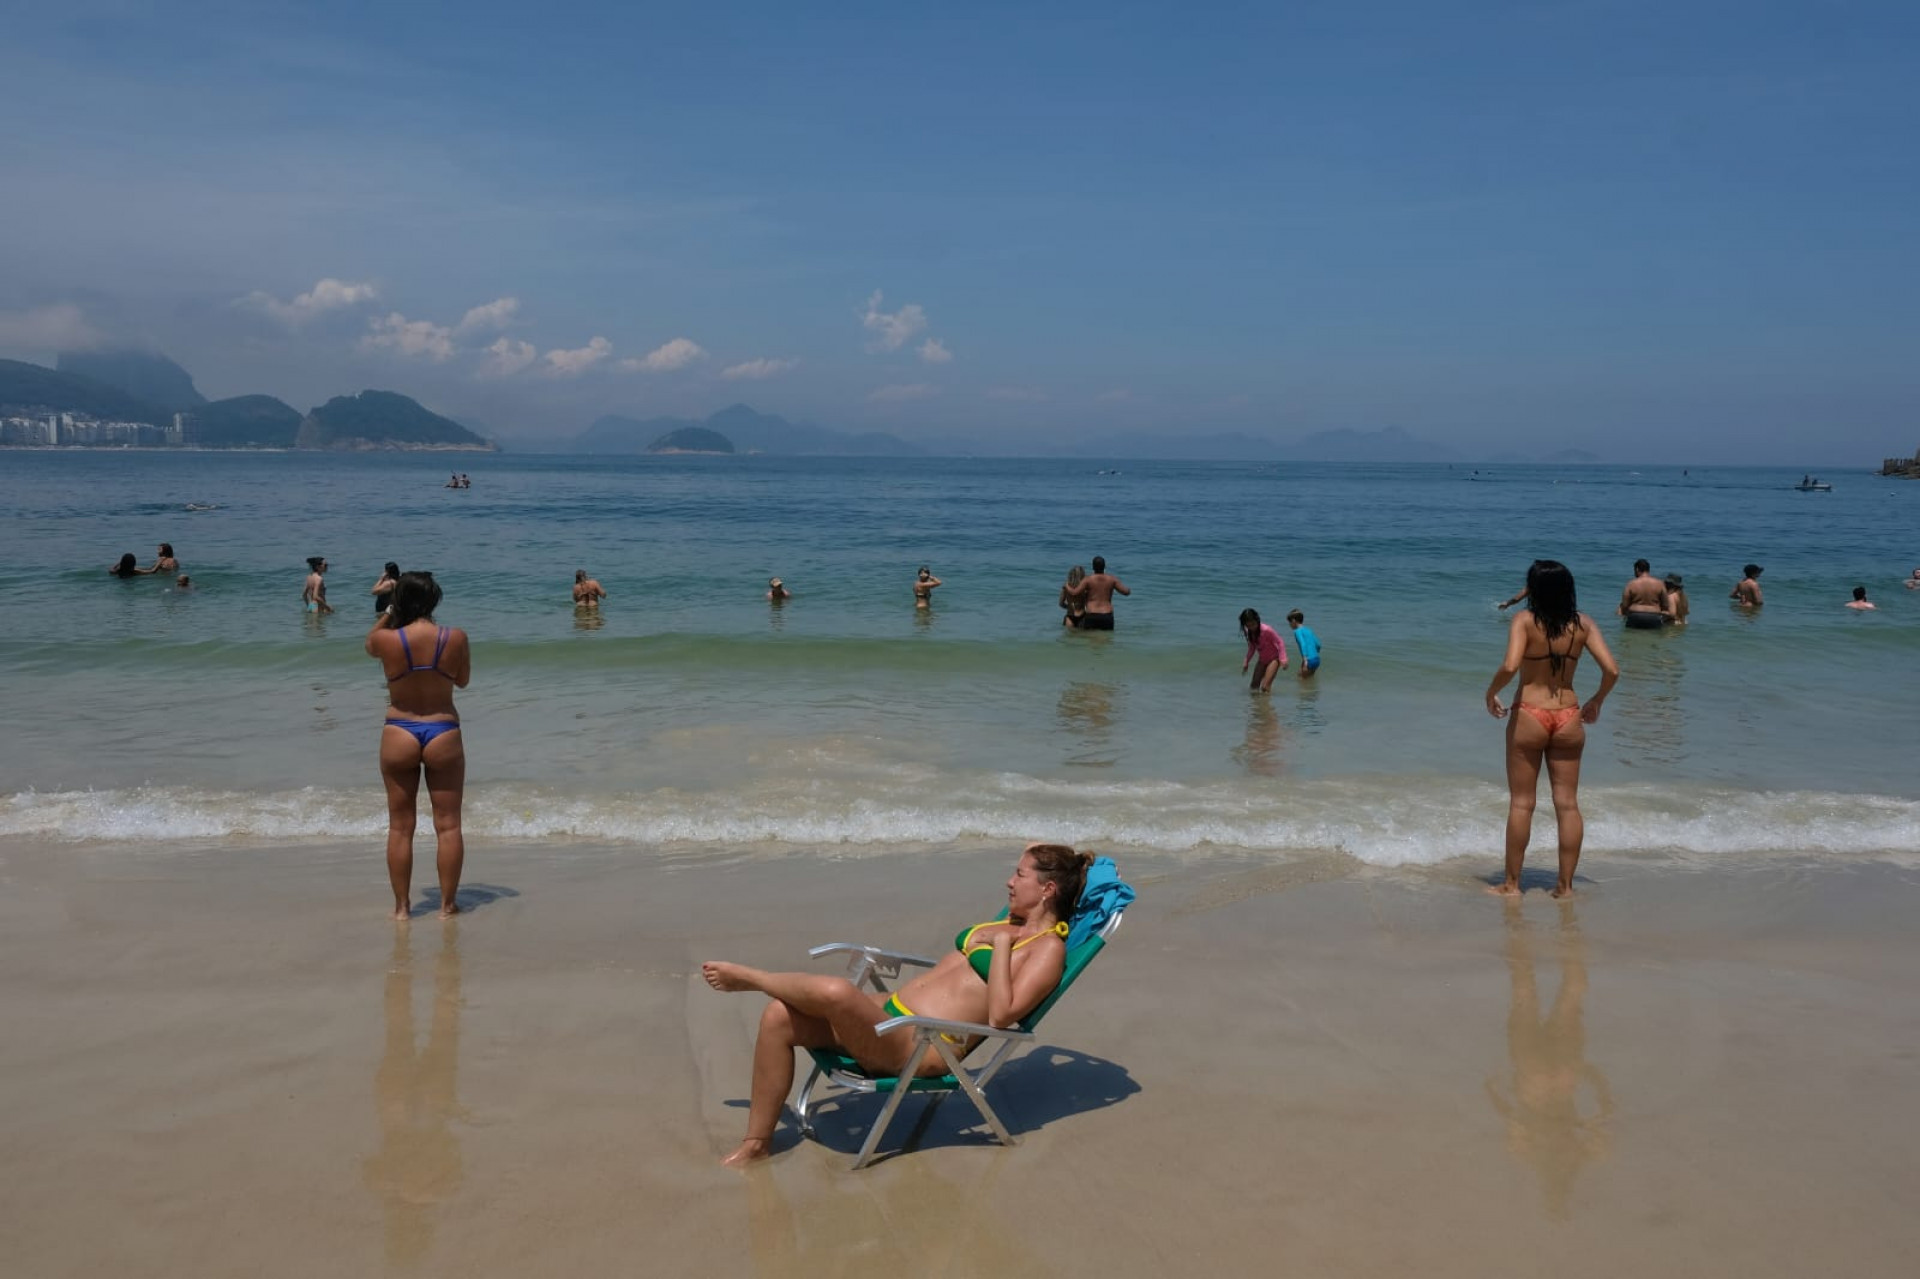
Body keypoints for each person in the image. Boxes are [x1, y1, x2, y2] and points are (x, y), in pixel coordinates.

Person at [701, 842, 1095, 1168]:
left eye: (1020, 875)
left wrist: (1004, 946)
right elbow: (1039, 860)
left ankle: (752, 979)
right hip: (888, 1013)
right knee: (778, 1016)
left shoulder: (1046, 950)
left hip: (920, 1045)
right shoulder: (1012, 920)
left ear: (1047, 890)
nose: (1009, 881)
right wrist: (1053, 864)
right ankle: (757, 1142)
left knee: (838, 993)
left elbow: (1002, 1015)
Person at [1484, 560, 1620, 898]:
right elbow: (1613, 671)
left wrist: (1491, 693)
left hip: (1530, 713)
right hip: (1569, 715)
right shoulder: (1583, 624)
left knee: (1521, 804)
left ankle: (1511, 885)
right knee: (1568, 804)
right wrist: (1597, 701)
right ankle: (1565, 887)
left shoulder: (1524, 620)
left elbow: (1511, 665)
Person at [365, 572, 470, 921]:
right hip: (442, 729)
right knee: (449, 825)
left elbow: (369, 645)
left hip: (399, 730)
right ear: (434, 600)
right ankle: (447, 906)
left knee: (400, 826)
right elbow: (463, 681)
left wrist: (391, 612)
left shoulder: (387, 639)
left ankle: (401, 908)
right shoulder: (455, 637)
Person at [1063, 555, 1129, 631]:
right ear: (1105, 566)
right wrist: (1129, 590)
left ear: (1093, 567)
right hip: (1107, 615)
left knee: (1091, 640)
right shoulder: (1112, 579)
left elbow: (1074, 593)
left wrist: (1067, 586)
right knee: (1107, 640)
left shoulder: (1088, 580)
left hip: (1092, 615)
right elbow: (1126, 592)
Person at [1239, 608, 1288, 692]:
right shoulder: (1249, 632)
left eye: (1253, 624)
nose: (1251, 628)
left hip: (1274, 659)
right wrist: (1246, 661)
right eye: (1248, 626)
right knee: (1253, 686)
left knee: (1265, 687)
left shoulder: (1266, 630)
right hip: (1262, 660)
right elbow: (1252, 647)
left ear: (1257, 620)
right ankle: (1256, 704)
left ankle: (1266, 705)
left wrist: (1283, 658)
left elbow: (1280, 642)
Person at [1617, 559, 1667, 628]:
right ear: (1648, 569)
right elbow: (1665, 605)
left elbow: (1625, 605)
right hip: (1654, 617)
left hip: (1635, 616)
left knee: (1631, 638)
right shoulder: (1660, 584)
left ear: (1637, 569)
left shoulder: (1631, 584)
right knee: (1655, 638)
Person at [1287, 609, 1321, 677]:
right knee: (1308, 678)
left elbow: (1303, 644)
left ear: (1294, 621)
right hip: (1316, 659)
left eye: (1289, 622)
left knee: (1301, 679)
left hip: (1308, 660)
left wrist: (1305, 660)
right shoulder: (1308, 630)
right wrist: (1315, 651)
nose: (1289, 624)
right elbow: (1318, 644)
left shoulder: (1297, 631)